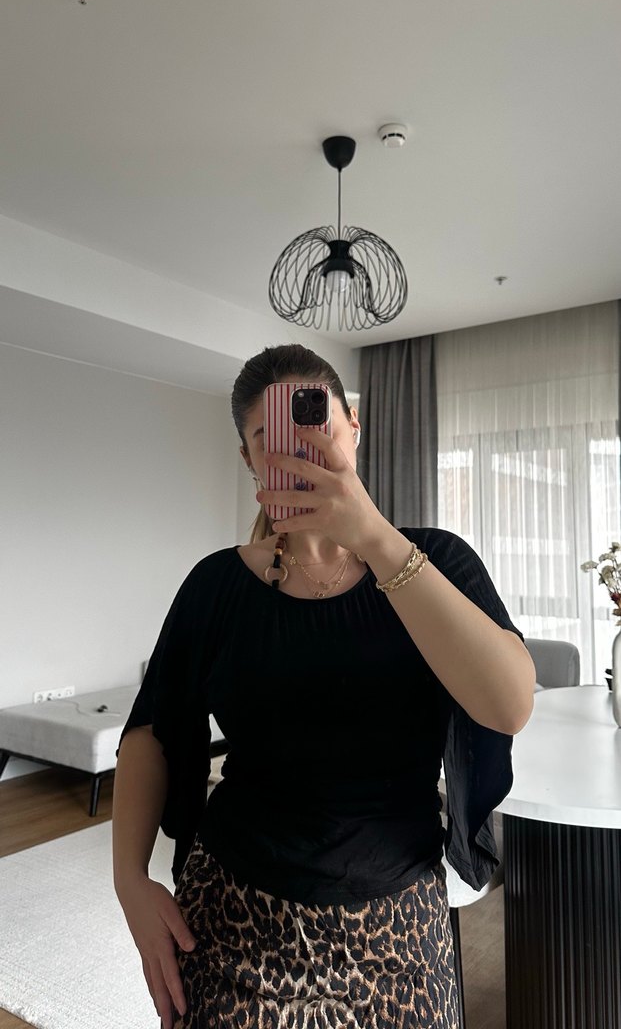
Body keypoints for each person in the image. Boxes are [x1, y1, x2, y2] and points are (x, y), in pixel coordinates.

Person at [112, 342, 535, 1029]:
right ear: (250, 460)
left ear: (354, 428)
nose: (299, 449)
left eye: (317, 424)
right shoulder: (217, 584)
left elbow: (508, 705)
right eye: (270, 437)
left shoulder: (437, 560)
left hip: (399, 920)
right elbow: (151, 731)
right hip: (233, 914)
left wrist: (373, 537)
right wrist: (130, 880)